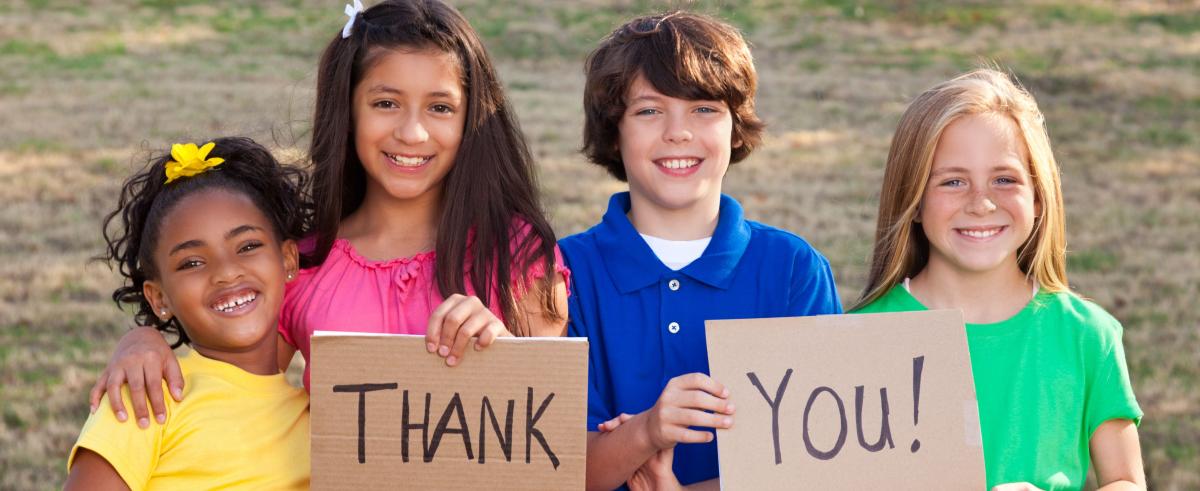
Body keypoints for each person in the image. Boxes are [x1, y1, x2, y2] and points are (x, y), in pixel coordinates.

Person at [88, 0, 569, 425]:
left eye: (440, 108)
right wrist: (144, 343)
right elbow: (234, 389)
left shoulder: (516, 255)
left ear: (472, 119)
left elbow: (552, 427)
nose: (412, 133)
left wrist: (504, 353)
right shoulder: (304, 263)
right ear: (349, 110)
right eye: (385, 103)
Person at [561, 12, 842, 490]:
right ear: (614, 131)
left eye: (704, 109)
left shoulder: (793, 271)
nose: (678, 132)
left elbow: (820, 465)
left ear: (735, 129)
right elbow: (558, 466)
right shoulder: (562, 272)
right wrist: (646, 431)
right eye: (649, 110)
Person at [853, 69, 1145, 490]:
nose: (981, 203)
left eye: (1004, 179)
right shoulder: (861, 338)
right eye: (953, 181)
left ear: (1039, 197)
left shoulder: (1086, 335)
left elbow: (1125, 480)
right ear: (913, 200)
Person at [65, 138, 309, 490]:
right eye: (192, 262)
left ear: (288, 260)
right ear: (159, 297)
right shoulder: (147, 394)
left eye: (248, 246)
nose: (226, 272)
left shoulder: (319, 421)